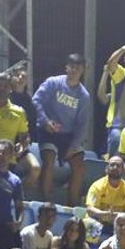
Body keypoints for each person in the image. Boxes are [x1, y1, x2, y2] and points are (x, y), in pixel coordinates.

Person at [33, 54, 91, 206]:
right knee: (49, 158)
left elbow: (82, 124)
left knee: (79, 166)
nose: (74, 70)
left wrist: (73, 147)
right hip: (48, 132)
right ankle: (47, 203)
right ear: (66, 67)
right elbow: (36, 100)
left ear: (82, 71)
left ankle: (72, 206)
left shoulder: (83, 96)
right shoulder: (53, 82)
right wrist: (45, 121)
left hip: (68, 136)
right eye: (71, 67)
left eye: (77, 68)